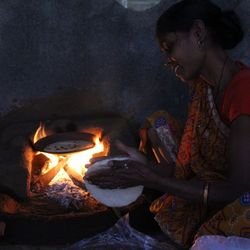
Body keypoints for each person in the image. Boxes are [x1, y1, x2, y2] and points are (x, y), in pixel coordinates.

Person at [85, 0, 250, 247]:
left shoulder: (242, 88)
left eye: (170, 47)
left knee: (208, 244)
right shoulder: (204, 88)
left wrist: (154, 180)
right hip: (214, 183)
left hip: (241, 198)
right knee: (158, 123)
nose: (168, 60)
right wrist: (140, 168)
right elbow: (190, 167)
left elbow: (236, 189)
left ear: (198, 33)